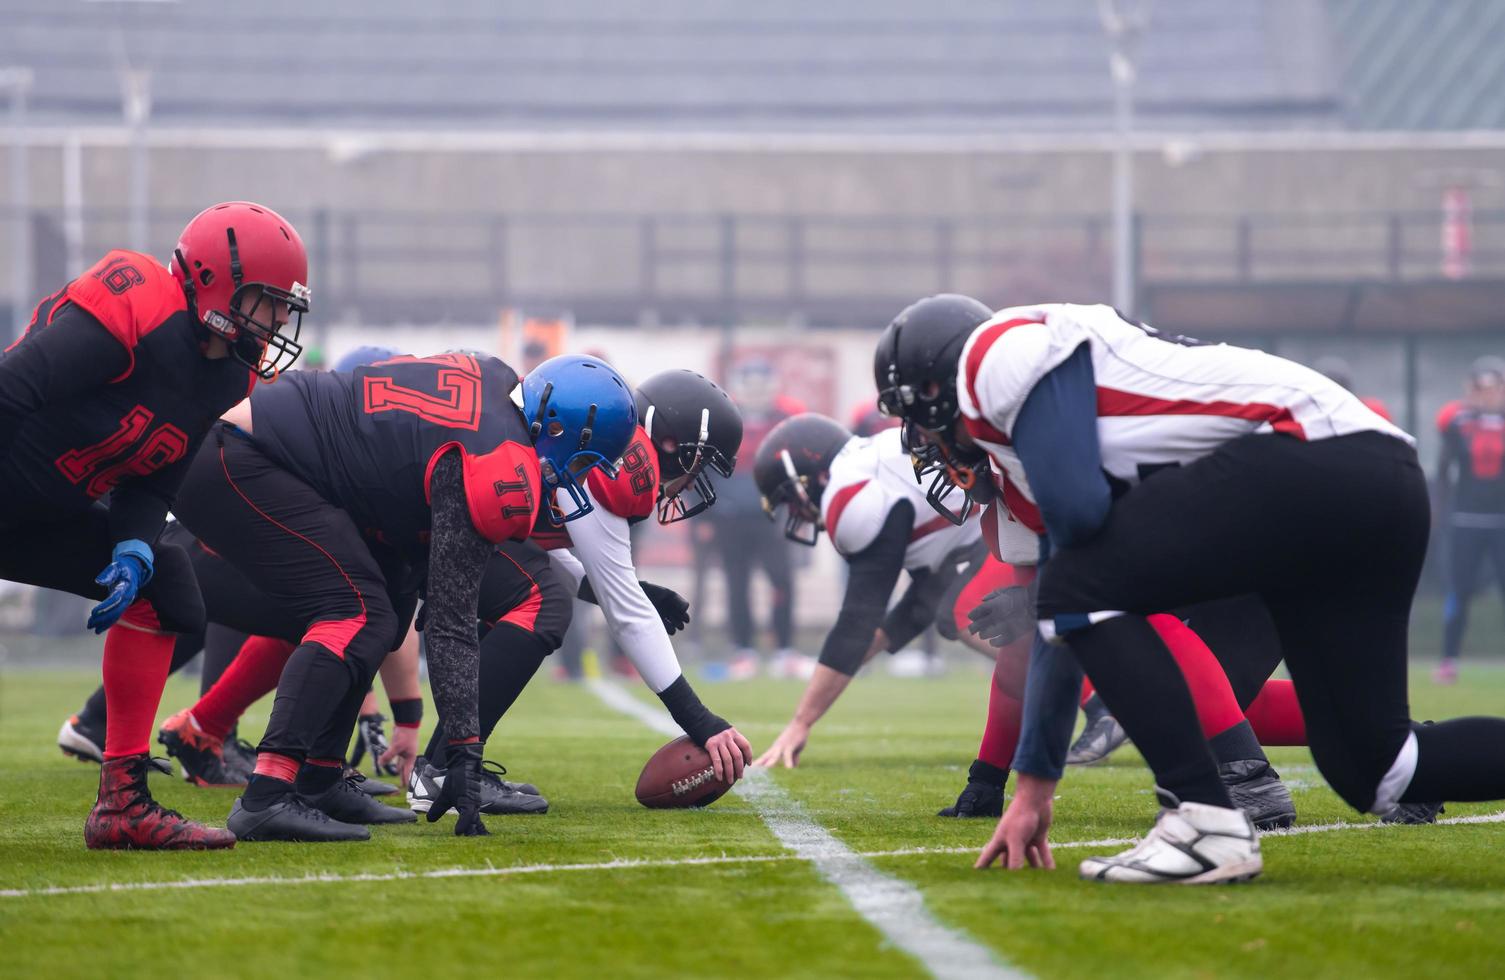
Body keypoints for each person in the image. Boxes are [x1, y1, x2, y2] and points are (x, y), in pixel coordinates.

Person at [875, 295, 1498, 884]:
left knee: (1073, 584)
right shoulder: (1022, 472)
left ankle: (1204, 819)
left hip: (1318, 454)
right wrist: (1033, 790)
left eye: (915, 419)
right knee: (1379, 769)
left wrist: (1054, 592)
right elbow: (1062, 626)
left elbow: (1081, 540)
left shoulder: (999, 351)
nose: (923, 442)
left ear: (933, 388)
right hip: (1371, 484)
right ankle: (1217, 811)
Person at [749, 414, 1305, 829]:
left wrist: (801, 722)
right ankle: (1384, 748)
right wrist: (987, 778)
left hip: (1252, 528)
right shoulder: (1004, 493)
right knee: (1207, 700)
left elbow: (1125, 569)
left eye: (939, 446)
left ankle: (1143, 722)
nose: (933, 464)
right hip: (1235, 549)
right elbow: (968, 636)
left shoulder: (1034, 455)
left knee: (1042, 618)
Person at [170, 351, 636, 842]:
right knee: (354, 611)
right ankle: (267, 794)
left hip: (254, 450)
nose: (578, 478)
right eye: (584, 461)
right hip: (237, 455)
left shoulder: (495, 385)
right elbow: (451, 622)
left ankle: (320, 777)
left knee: (387, 608)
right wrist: (464, 751)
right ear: (559, 429)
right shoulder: (494, 458)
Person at [0, 201, 308, 850]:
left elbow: (155, 470)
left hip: (41, 513)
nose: (280, 319)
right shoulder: (137, 303)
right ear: (214, 279)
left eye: (285, 306)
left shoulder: (229, 374)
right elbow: (11, 389)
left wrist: (134, 542)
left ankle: (122, 805)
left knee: (167, 584)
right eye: (268, 300)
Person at [410, 368, 755, 808]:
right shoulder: (620, 460)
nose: (694, 480)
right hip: (438, 516)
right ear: (671, 445)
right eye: (699, 462)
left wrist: (630, 588)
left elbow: (548, 557)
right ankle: (445, 769)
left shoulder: (592, 439)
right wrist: (700, 719)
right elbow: (628, 618)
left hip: (432, 509)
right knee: (543, 603)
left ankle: (440, 766)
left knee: (526, 594)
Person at [709, 359, 808, 678]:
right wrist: (708, 514)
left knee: (782, 580)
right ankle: (743, 649)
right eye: (748, 385)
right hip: (731, 516)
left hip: (772, 514)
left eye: (761, 384)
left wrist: (798, 504)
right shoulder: (723, 417)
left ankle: (784, 648)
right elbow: (705, 465)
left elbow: (804, 460)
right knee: (737, 584)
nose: (755, 392)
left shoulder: (789, 417)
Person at [1434, 356, 1505, 684]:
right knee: (1459, 591)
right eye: (1480, 387)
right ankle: (1449, 660)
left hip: (1501, 520)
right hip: (1466, 519)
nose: (1486, 394)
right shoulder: (1457, 421)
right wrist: (1440, 511)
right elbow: (1445, 469)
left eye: (1492, 387)